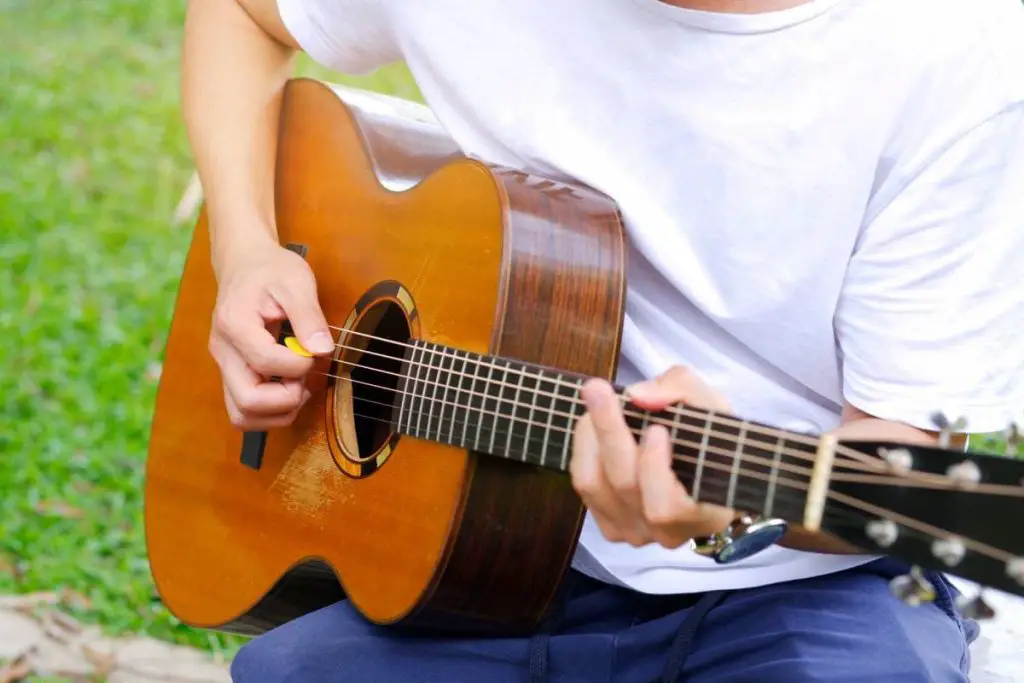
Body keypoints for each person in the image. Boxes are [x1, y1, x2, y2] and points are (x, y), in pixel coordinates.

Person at [180, 0, 1024, 680]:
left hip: (802, 590)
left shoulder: (954, 53)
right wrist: (247, 245)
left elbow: (898, 457)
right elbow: (242, 15)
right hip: (491, 567)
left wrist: (729, 505)